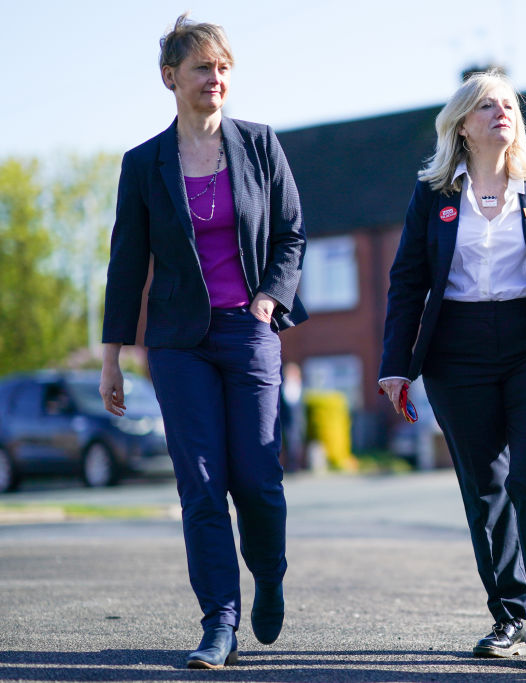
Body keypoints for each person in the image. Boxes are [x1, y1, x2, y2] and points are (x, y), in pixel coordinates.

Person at [99, 13, 307, 669]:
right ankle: (220, 621)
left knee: (258, 480)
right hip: (178, 343)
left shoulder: (261, 145)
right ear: (171, 78)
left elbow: (292, 234)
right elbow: (127, 264)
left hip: (249, 334)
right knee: (203, 483)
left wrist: (271, 295)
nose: (215, 78)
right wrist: (112, 355)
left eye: (222, 68)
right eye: (201, 68)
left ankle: (268, 573)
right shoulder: (143, 164)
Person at [379, 70, 526, 659]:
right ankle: (507, 615)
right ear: (461, 126)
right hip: (457, 351)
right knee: (486, 486)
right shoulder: (433, 196)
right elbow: (407, 282)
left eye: (507, 104)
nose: (500, 112)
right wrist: (395, 365)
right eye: (485, 106)